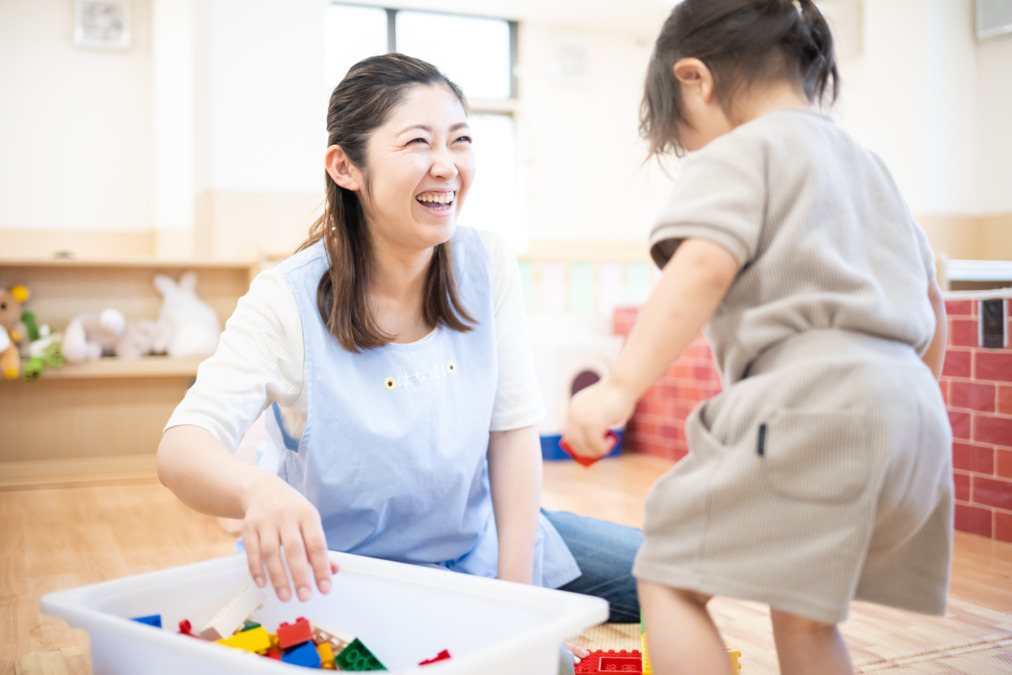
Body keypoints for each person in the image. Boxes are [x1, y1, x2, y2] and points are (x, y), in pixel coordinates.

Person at [156, 53, 642, 666]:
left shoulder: (485, 263)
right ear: (345, 167)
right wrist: (257, 492)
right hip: (345, 579)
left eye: (460, 140)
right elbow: (180, 448)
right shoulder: (287, 298)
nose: (448, 166)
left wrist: (517, 605)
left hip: (478, 544)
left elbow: (513, 431)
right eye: (418, 142)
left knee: (672, 571)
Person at [562, 1, 952, 674]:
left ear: (696, 80)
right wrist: (902, 405)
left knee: (667, 577)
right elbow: (931, 303)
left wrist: (618, 389)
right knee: (805, 617)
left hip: (813, 401)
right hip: (915, 414)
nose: (697, 153)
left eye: (688, 139)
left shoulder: (745, 149)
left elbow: (703, 266)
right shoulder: (870, 166)